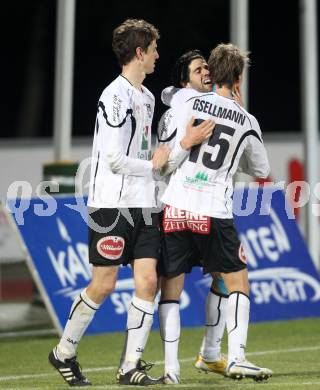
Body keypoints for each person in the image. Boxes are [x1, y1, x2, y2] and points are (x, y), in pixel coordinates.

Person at [48, 18, 170, 387]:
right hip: (111, 206)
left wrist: (159, 175)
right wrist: (153, 165)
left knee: (148, 281)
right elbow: (116, 159)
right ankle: (63, 352)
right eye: (152, 49)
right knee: (102, 285)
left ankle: (129, 366)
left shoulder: (148, 97)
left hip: (144, 205)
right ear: (139, 52)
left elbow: (146, 155)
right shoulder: (113, 96)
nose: (156, 56)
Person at [160, 43, 273, 382]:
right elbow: (262, 169)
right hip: (212, 209)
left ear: (212, 73)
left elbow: (170, 148)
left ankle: (173, 368)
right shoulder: (247, 120)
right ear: (238, 77)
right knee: (237, 279)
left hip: (176, 204)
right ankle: (236, 356)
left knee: (172, 289)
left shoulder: (190, 102)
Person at [156, 50, 231, 384]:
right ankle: (179, 365)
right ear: (184, 79)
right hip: (181, 205)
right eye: (199, 68)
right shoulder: (180, 109)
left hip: (199, 205)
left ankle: (205, 356)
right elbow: (163, 164)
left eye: (208, 67)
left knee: (223, 276)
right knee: (177, 285)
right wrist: (188, 141)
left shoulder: (206, 106)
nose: (207, 72)